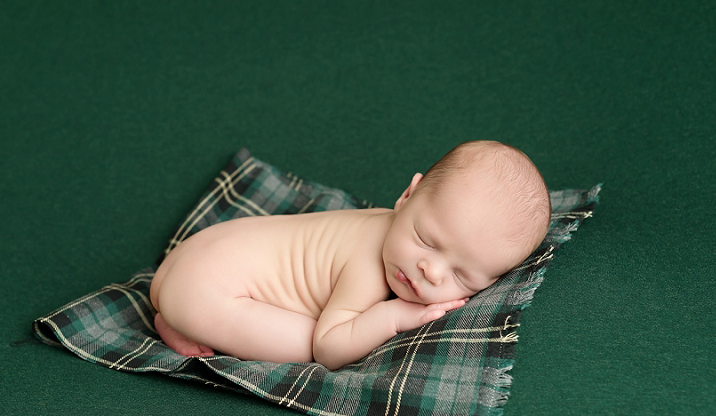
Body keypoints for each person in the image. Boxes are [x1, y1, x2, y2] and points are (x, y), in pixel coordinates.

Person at [150, 140, 551, 370]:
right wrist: (392, 317)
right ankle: (184, 318)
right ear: (406, 197)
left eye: (461, 276)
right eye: (426, 240)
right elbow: (329, 348)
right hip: (203, 286)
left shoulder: (393, 227)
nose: (430, 271)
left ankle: (174, 315)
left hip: (192, 257)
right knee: (305, 346)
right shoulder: (368, 266)